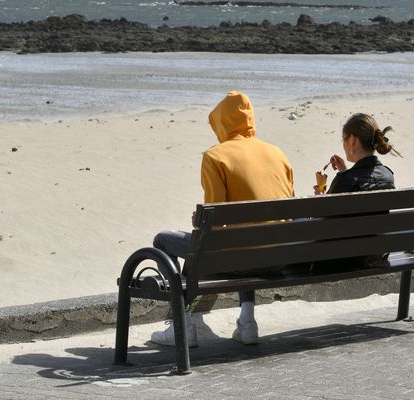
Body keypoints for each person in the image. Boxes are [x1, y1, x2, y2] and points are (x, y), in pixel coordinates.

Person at [151, 91, 294, 347]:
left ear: (221, 123)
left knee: (162, 240)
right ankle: (247, 320)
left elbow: (214, 226)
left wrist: (200, 221)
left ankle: (181, 326)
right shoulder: (278, 153)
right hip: (279, 260)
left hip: (237, 259)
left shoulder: (215, 156)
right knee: (248, 236)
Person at [313, 113, 401, 270]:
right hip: (374, 256)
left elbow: (320, 224)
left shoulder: (346, 181)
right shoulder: (388, 176)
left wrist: (319, 197)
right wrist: (344, 172)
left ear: (353, 141)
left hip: (342, 260)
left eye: (344, 140)